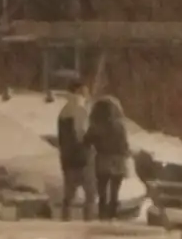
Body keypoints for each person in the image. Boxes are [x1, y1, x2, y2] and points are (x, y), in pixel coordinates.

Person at [85, 83, 131, 222]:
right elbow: (124, 143)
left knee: (102, 188)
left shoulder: (97, 125)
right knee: (115, 189)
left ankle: (103, 213)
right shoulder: (119, 125)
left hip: (103, 157)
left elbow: (88, 139)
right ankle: (113, 213)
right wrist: (125, 153)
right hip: (118, 158)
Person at [54, 91, 87, 220]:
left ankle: (65, 218)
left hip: (67, 159)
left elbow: (61, 139)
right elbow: (82, 134)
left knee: (69, 192)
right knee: (90, 193)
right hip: (81, 158)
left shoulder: (63, 112)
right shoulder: (80, 111)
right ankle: (89, 221)